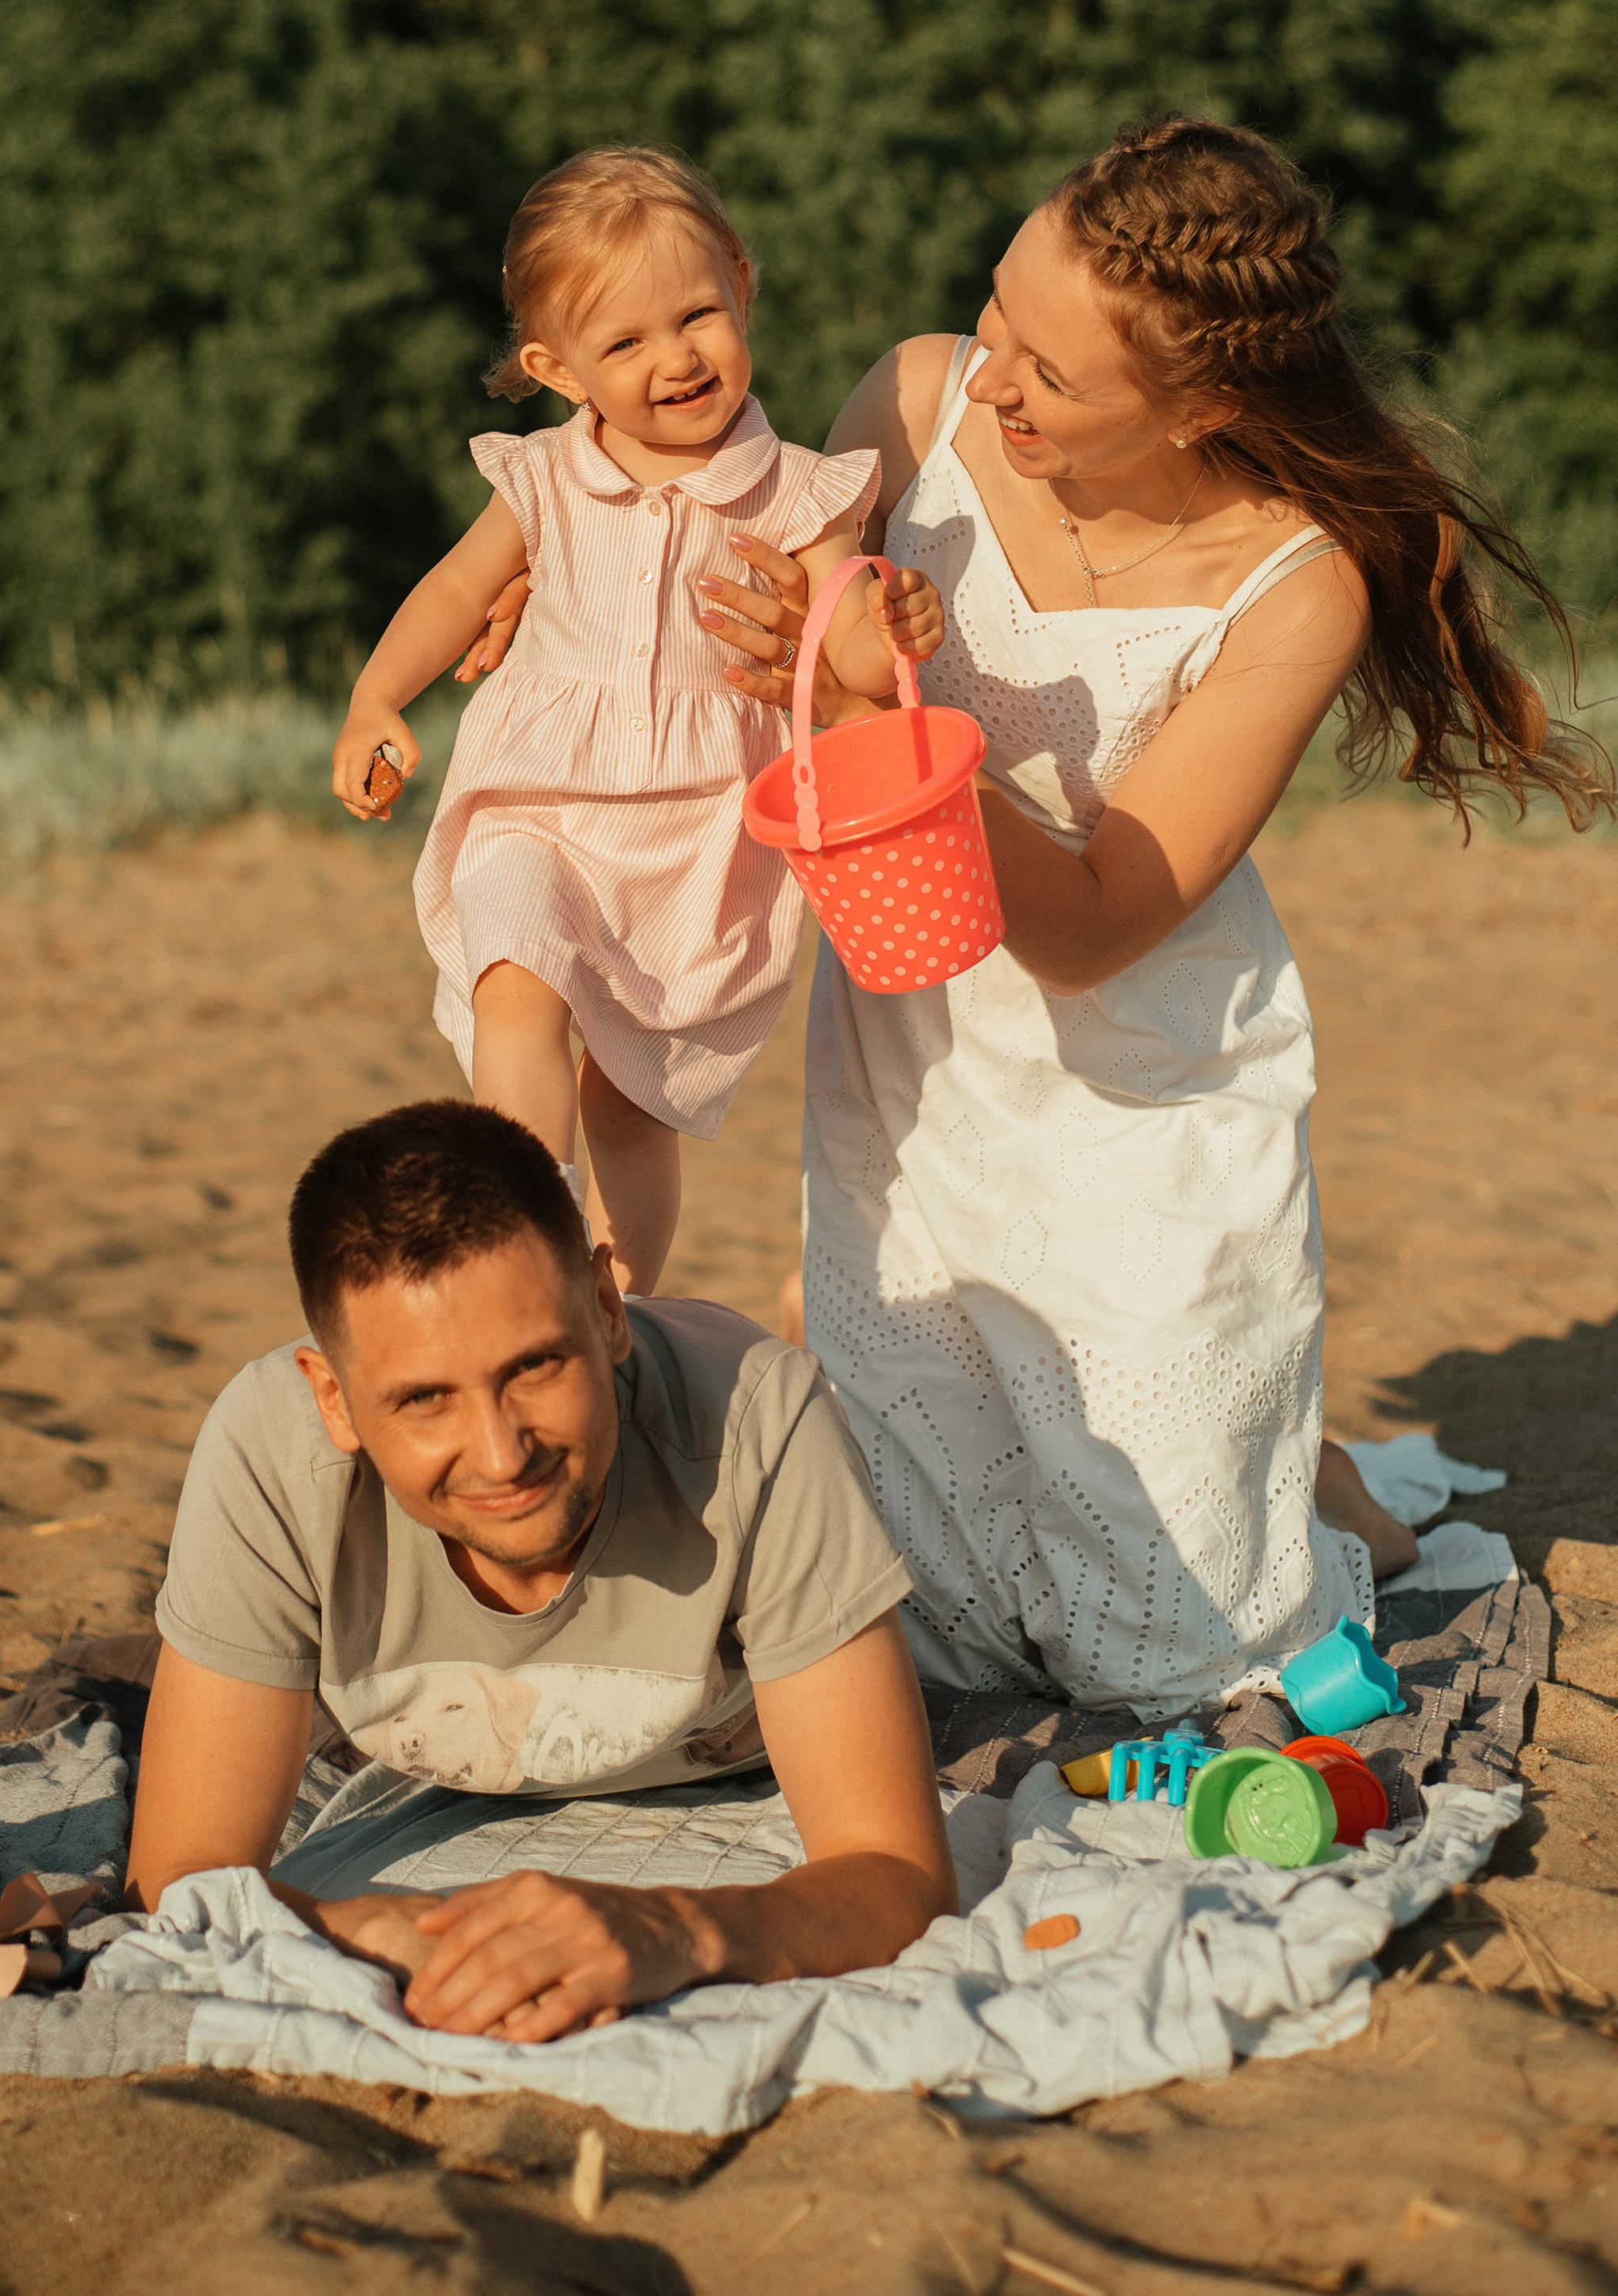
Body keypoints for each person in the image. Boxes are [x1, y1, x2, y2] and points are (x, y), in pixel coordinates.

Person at [466, 116, 1610, 1712]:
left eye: (1050, 372)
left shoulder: (1295, 582)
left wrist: (884, 709)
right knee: (941, 1620)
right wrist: (563, 601)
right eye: (999, 306)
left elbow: (1095, 918)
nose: (992, 375)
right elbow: (719, 552)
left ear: (1201, 405)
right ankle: (1255, 1455)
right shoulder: (918, 399)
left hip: (1132, 1071)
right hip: (915, 1043)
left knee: (1156, 1655)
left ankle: (1321, 1493)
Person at [125, 1098, 954, 2044]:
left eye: (534, 1367)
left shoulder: (761, 1419)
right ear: (335, 1401)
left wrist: (674, 1928)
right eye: (425, 1399)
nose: (499, 1452)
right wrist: (370, 1926)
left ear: (606, 1310)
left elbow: (895, 1873)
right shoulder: (270, 1450)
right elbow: (176, 1881)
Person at [330, 147, 941, 1296]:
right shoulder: (545, 482)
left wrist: (890, 624)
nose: (676, 358)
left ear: (743, 287)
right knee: (516, 972)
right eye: (625, 342)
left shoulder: (795, 490)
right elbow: (459, 590)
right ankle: (527, 1222)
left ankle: (618, 1294)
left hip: (700, 841)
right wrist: (377, 694)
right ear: (557, 368)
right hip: (541, 802)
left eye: (698, 314)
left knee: (633, 1092)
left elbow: (842, 633)